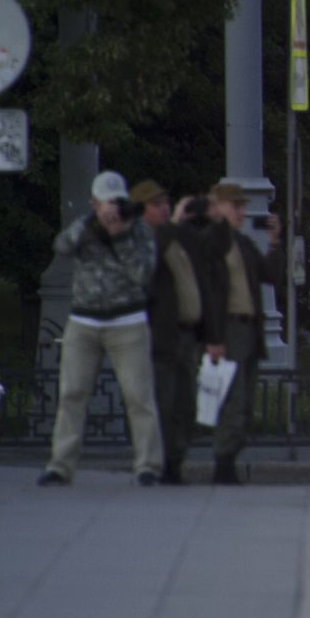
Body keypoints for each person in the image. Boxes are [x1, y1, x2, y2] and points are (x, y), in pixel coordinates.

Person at [39, 171, 163, 487]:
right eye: (104, 202)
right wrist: (93, 225)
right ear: (94, 203)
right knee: (72, 393)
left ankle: (148, 465)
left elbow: (143, 275)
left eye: (116, 201)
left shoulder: (139, 231)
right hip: (84, 322)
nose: (111, 208)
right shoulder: (85, 227)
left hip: (128, 323)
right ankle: (60, 466)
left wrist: (120, 234)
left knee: (139, 396)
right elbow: (61, 245)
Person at [198, 183, 287, 484]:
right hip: (227, 328)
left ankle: (228, 460)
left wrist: (274, 243)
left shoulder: (244, 243)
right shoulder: (209, 241)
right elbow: (206, 293)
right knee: (232, 399)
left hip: (249, 329)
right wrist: (213, 337)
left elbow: (270, 275)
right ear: (217, 206)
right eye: (234, 206)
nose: (241, 212)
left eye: (242, 206)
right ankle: (223, 465)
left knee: (245, 400)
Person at [132, 180, 207, 484]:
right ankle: (163, 464)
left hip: (186, 335)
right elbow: (145, 271)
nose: (164, 208)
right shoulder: (142, 237)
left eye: (166, 202)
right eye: (156, 204)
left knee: (186, 403)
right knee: (164, 401)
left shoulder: (173, 237)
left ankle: (175, 460)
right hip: (160, 336)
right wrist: (174, 221)